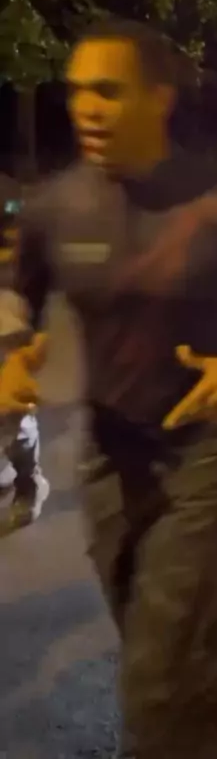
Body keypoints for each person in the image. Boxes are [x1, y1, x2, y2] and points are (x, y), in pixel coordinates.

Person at [0, 18, 217, 758]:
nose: (86, 108)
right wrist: (11, 353)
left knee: (154, 686)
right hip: (109, 458)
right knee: (158, 641)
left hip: (204, 460)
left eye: (108, 90)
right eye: (77, 91)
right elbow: (17, 291)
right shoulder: (55, 206)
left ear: (158, 98)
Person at [0, 177, 49, 529]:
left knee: (12, 414)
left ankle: (28, 484)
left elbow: (24, 244)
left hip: (7, 319)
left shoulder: (7, 192)